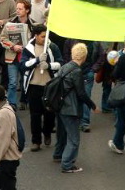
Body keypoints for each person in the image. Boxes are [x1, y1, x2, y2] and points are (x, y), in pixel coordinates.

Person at [53, 43, 97, 173]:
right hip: (71, 108)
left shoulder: (64, 67)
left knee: (61, 133)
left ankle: (58, 154)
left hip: (60, 106)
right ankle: (67, 164)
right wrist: (92, 105)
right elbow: (81, 93)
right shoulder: (77, 71)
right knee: (74, 139)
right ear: (84, 57)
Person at [21, 24, 62, 151]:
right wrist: (37, 60)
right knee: (35, 115)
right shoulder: (28, 49)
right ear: (36, 36)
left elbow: (60, 63)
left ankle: (47, 132)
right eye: (42, 36)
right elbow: (23, 65)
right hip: (34, 86)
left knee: (49, 113)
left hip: (49, 87)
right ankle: (36, 141)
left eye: (46, 36)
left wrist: (48, 65)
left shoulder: (52, 47)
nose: (45, 39)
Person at [0, 84, 22, 190]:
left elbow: (1, 141)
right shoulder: (5, 109)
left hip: (6, 159)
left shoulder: (3, 114)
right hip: (2, 159)